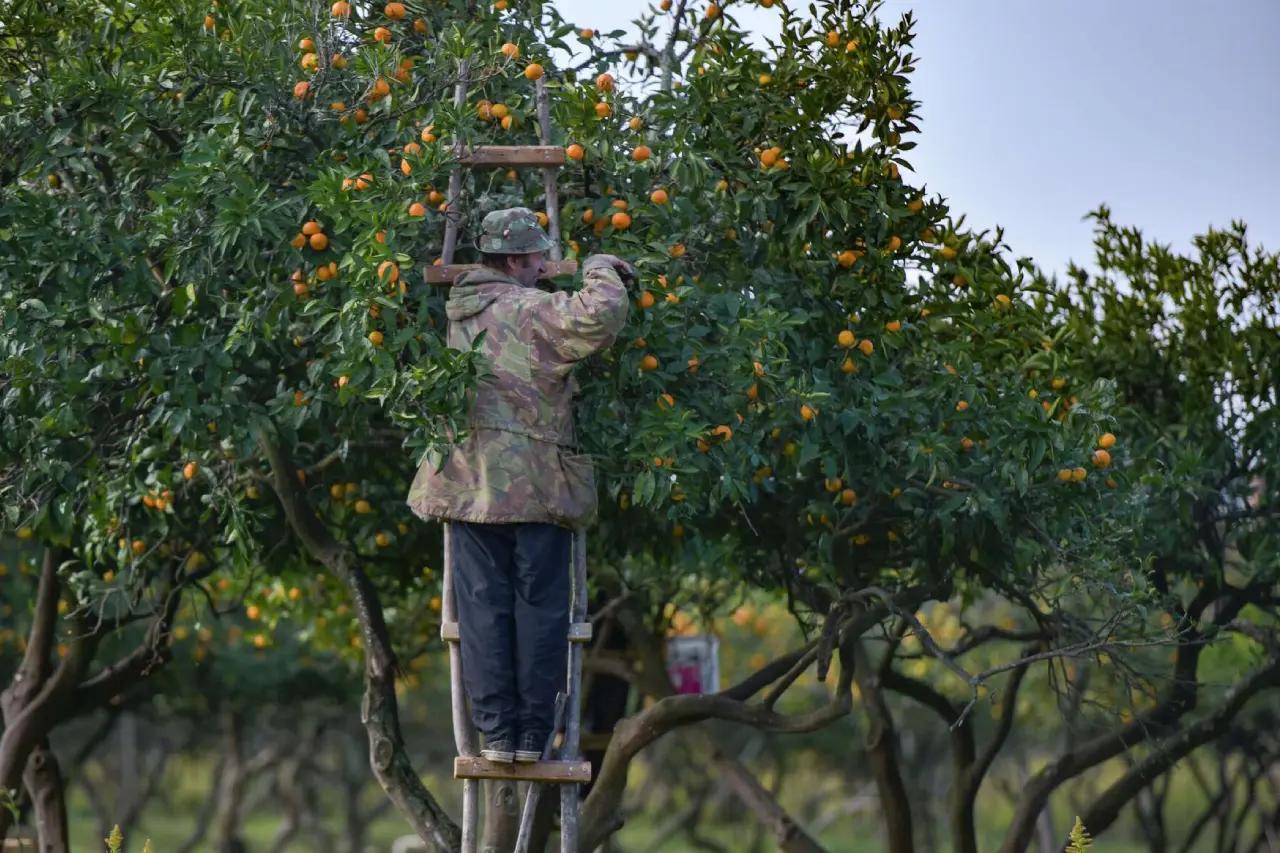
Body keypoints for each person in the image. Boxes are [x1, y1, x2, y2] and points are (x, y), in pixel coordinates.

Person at [406, 207, 634, 763]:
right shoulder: (529, 309)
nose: (542, 265)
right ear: (514, 259)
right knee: (542, 611)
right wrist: (602, 266)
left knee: (482, 611)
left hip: (468, 484)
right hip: (535, 488)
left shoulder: (457, 309)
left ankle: (497, 735)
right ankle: (534, 734)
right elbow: (601, 314)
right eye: (536, 256)